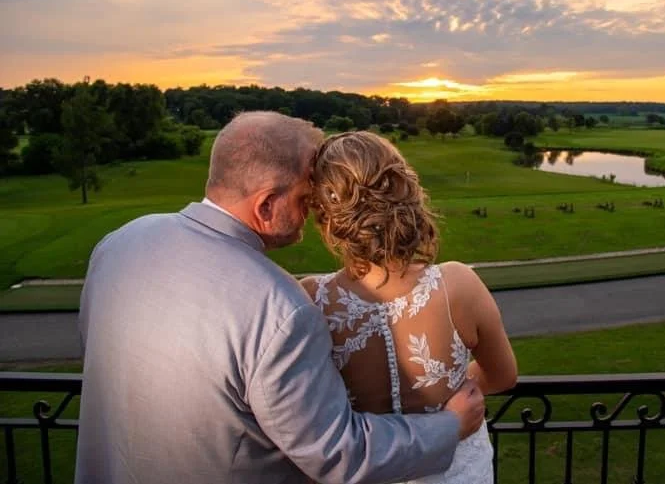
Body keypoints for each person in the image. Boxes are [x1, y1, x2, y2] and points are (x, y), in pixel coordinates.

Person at [75, 111, 485, 484]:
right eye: (307, 197)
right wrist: (450, 426)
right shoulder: (280, 307)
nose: (315, 210)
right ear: (267, 204)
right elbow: (338, 455)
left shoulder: (118, 245)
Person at [300, 131, 518, 484]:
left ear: (326, 214)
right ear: (406, 191)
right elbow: (503, 376)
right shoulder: (458, 284)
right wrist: (449, 397)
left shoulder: (311, 297)